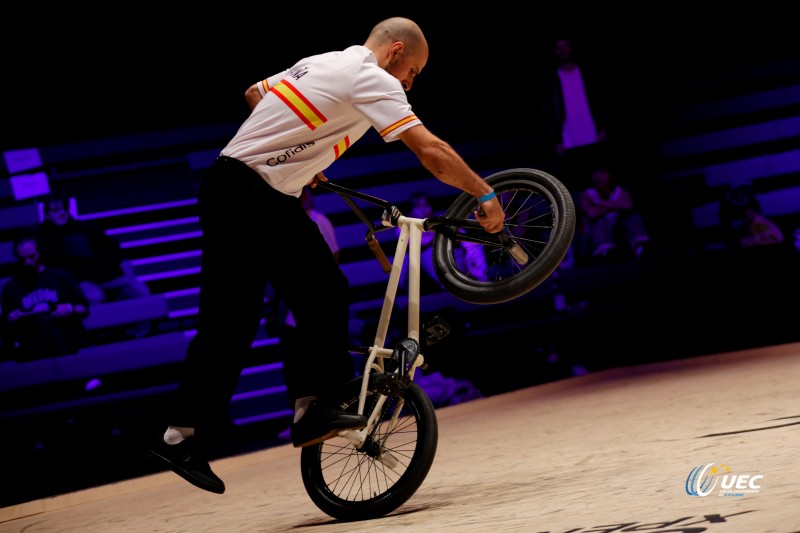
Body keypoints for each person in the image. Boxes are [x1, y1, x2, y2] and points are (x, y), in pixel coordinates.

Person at [146, 16, 504, 495]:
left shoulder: (322, 62)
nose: (410, 82)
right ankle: (312, 406)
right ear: (396, 51)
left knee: (231, 320)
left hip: (226, 185)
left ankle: (180, 436)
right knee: (325, 293)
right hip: (256, 195)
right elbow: (431, 151)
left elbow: (255, 93)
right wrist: (483, 193)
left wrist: (300, 154)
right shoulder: (374, 78)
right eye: (413, 71)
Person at [36, 195, 151, 305]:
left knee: (140, 289)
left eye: (65, 208)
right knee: (94, 296)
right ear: (47, 215)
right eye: (56, 210)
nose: (62, 213)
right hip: (80, 281)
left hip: (107, 276)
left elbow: (112, 248)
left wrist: (107, 267)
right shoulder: (43, 237)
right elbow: (56, 267)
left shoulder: (87, 228)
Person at [0, 234, 89, 362]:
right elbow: (5, 323)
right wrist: (11, 318)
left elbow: (84, 309)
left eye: (31, 256)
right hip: (34, 348)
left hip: (67, 340)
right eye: (22, 259)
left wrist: (70, 308)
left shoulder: (61, 277)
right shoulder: (11, 288)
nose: (27, 262)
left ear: (40, 253)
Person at [541, 36, 611, 191]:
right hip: (569, 138)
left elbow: (600, 99)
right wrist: (556, 140)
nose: (562, 50)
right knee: (576, 180)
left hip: (592, 134)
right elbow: (548, 110)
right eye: (558, 47)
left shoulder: (586, 72)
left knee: (600, 176)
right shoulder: (552, 78)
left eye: (565, 46)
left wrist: (603, 128)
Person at [576, 164, 650, 264]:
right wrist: (617, 206)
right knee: (599, 221)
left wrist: (599, 203)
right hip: (593, 238)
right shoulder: (587, 194)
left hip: (620, 232)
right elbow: (592, 214)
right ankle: (605, 253)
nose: (597, 177)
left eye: (602, 172)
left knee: (632, 217)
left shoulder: (621, 191)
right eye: (594, 173)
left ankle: (641, 249)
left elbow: (628, 206)